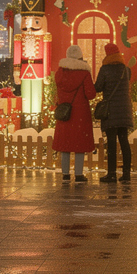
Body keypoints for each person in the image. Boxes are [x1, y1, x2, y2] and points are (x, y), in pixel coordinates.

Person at [52, 45, 96, 182]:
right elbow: (91, 94)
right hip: (80, 114)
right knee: (79, 144)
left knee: (65, 144)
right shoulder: (84, 73)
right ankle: (78, 174)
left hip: (65, 112)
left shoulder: (60, 73)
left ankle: (65, 173)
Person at [93, 42, 133, 182]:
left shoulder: (105, 69)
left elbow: (98, 87)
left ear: (107, 54)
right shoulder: (125, 69)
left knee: (111, 143)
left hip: (111, 111)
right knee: (124, 141)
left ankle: (111, 173)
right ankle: (126, 174)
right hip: (125, 110)